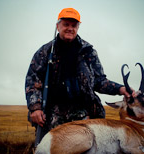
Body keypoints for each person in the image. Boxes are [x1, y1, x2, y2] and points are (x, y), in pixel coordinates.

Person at [25, 8, 134, 142]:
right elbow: (32, 81)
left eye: (74, 25)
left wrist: (120, 89)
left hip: (84, 111)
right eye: (66, 24)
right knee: (54, 147)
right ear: (58, 26)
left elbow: (99, 81)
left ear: (78, 27)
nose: (70, 28)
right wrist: (35, 108)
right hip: (53, 112)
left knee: (88, 147)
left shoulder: (88, 51)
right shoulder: (45, 52)